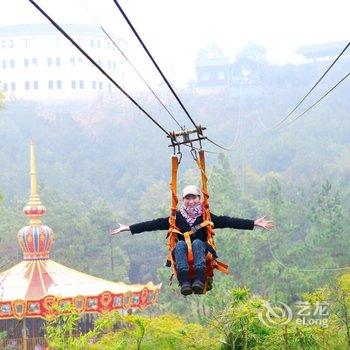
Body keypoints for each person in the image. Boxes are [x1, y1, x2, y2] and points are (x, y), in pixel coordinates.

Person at [111, 185, 273, 296]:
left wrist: (253, 223)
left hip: (201, 252)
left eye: (194, 198)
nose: (190, 201)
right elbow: (153, 224)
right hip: (183, 254)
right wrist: (129, 228)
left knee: (196, 243)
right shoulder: (176, 218)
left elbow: (229, 221)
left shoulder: (206, 216)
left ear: (199, 198)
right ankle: (185, 282)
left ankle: (199, 279)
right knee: (180, 244)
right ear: (183, 200)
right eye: (187, 198)